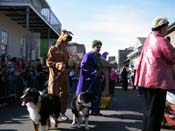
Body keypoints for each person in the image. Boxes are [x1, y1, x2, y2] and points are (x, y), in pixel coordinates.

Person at [134, 16, 175, 131]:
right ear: (162, 28)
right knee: (156, 114)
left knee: (148, 111)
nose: (167, 29)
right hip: (158, 82)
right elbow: (173, 57)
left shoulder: (149, 39)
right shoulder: (161, 40)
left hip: (147, 81)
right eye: (167, 27)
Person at [46, 29, 73, 121]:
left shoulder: (66, 52)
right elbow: (49, 62)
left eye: (67, 43)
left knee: (66, 93)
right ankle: (52, 115)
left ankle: (61, 113)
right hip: (55, 76)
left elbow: (68, 63)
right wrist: (58, 65)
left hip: (64, 76)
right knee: (53, 95)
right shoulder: (52, 49)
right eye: (64, 42)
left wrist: (72, 65)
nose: (65, 44)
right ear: (60, 41)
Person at [76, 40, 104, 116]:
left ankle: (95, 111)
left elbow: (99, 66)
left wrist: (101, 74)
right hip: (88, 80)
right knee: (85, 96)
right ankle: (82, 111)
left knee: (97, 94)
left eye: (100, 47)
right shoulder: (88, 55)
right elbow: (83, 65)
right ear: (93, 47)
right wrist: (93, 72)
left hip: (96, 79)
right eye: (97, 47)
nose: (99, 49)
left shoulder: (98, 56)